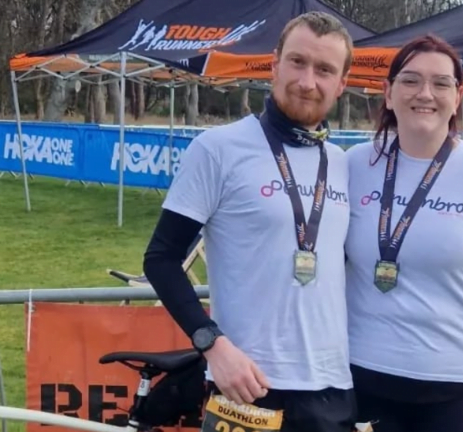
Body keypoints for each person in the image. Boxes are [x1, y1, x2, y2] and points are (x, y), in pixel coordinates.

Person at [142, 11, 357, 432]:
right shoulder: (218, 148)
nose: (307, 81)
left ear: (342, 84)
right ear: (274, 64)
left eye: (324, 69)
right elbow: (161, 258)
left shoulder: (344, 163)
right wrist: (212, 345)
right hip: (246, 388)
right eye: (297, 62)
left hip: (333, 388)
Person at [344, 34, 463, 432]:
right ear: (389, 93)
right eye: (411, 81)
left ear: (458, 96)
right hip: (364, 376)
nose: (425, 94)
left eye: (441, 83)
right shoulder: (351, 166)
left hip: (462, 385)